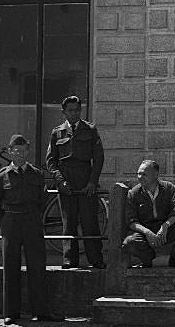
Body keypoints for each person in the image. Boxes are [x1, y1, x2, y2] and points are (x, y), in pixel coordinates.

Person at [0, 134, 61, 324]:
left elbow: (43, 199)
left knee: (37, 266)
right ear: (10, 151)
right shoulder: (2, 175)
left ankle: (41, 311)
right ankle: (11, 313)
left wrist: (32, 216)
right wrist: (6, 220)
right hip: (11, 221)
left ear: (28, 151)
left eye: (23, 151)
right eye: (16, 151)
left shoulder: (36, 174)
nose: (20, 154)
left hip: (31, 221)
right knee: (10, 267)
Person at [45, 95, 105, 269]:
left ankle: (96, 259)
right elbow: (51, 161)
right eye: (70, 110)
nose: (74, 113)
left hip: (85, 179)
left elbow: (99, 158)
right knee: (68, 221)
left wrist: (93, 182)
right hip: (66, 180)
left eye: (77, 110)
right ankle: (69, 260)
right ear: (63, 112)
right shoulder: (57, 132)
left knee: (90, 221)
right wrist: (60, 181)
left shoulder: (90, 130)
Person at [122, 159, 175, 269]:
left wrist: (165, 226)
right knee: (130, 242)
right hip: (145, 231)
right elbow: (131, 221)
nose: (140, 177)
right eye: (139, 173)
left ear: (155, 175)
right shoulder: (134, 193)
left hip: (166, 229)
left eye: (144, 174)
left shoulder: (168, 188)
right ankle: (148, 258)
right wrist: (147, 232)